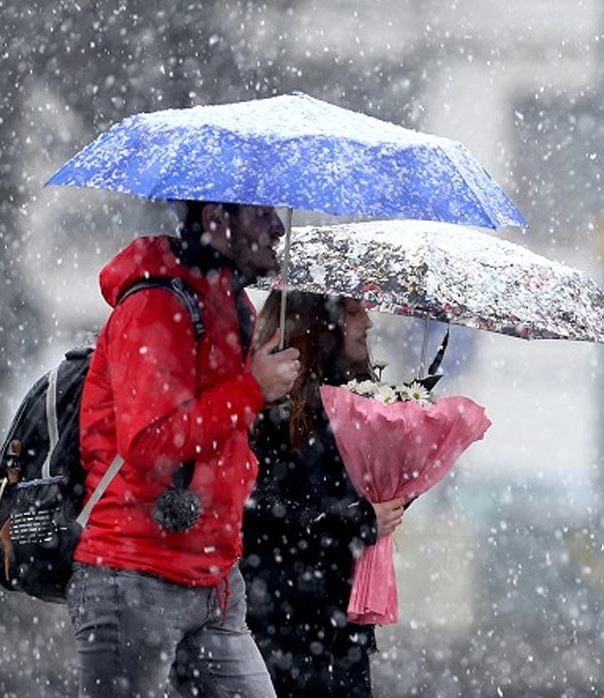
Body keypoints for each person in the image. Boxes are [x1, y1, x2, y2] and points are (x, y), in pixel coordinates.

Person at [70, 201, 301, 698]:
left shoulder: (232, 305)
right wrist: (252, 390)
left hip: (215, 579)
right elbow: (150, 445)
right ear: (217, 216)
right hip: (134, 576)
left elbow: (222, 434)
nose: (278, 226)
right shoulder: (156, 304)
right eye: (261, 214)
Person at [243, 291, 406, 698]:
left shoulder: (357, 402)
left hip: (337, 626)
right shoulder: (272, 408)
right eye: (354, 313)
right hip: (282, 624)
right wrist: (360, 519)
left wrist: (398, 486)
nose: (367, 323)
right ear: (320, 325)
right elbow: (261, 513)